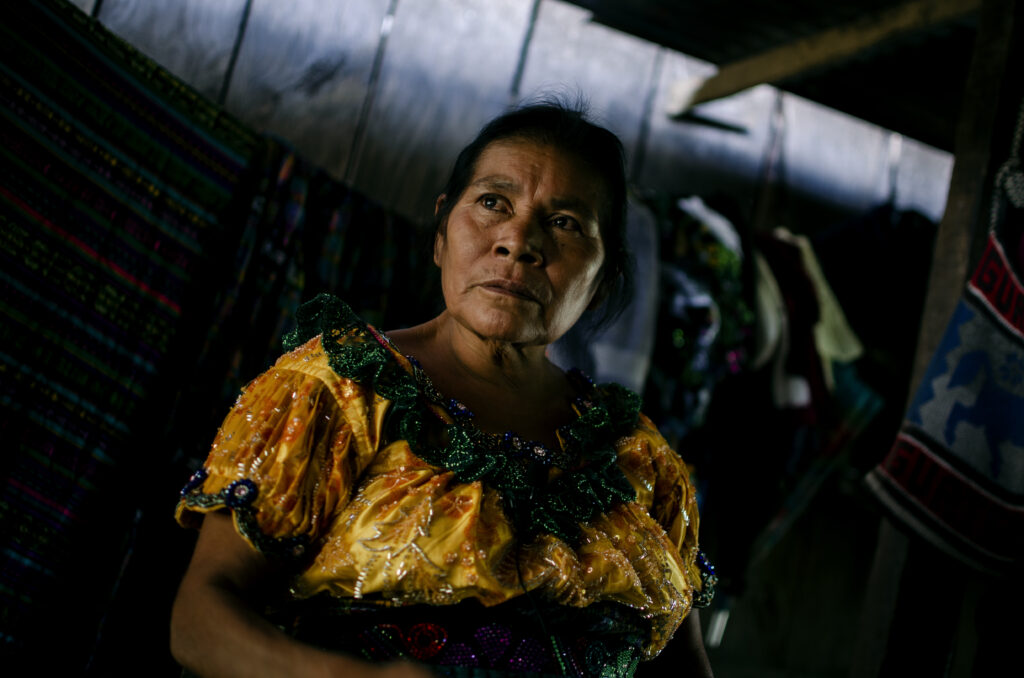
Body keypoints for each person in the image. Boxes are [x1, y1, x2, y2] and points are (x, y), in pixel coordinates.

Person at [171, 101, 716, 678]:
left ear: (601, 281)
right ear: (440, 233)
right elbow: (199, 620)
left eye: (565, 224)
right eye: (492, 203)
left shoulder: (642, 461)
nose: (517, 240)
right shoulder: (335, 392)